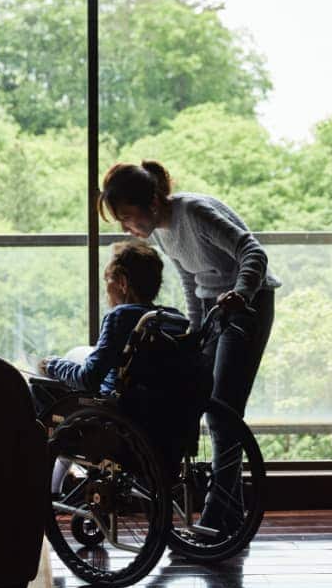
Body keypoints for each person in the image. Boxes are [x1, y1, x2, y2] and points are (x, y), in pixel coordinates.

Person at [97, 160, 279, 531]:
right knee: (197, 397)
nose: (126, 228)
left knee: (222, 410)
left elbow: (253, 252)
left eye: (126, 217)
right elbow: (193, 283)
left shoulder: (193, 212)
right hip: (215, 307)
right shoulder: (161, 233)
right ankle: (229, 511)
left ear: (148, 203)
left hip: (248, 303)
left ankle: (218, 512)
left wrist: (241, 294)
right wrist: (194, 335)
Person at [30, 239, 191, 487]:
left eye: (108, 283)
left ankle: (45, 483)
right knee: (78, 355)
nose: (107, 292)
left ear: (123, 283)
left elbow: (89, 377)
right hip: (160, 422)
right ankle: (56, 484)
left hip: (116, 422)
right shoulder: (170, 319)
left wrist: (51, 365)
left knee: (37, 388)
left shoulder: (121, 317)